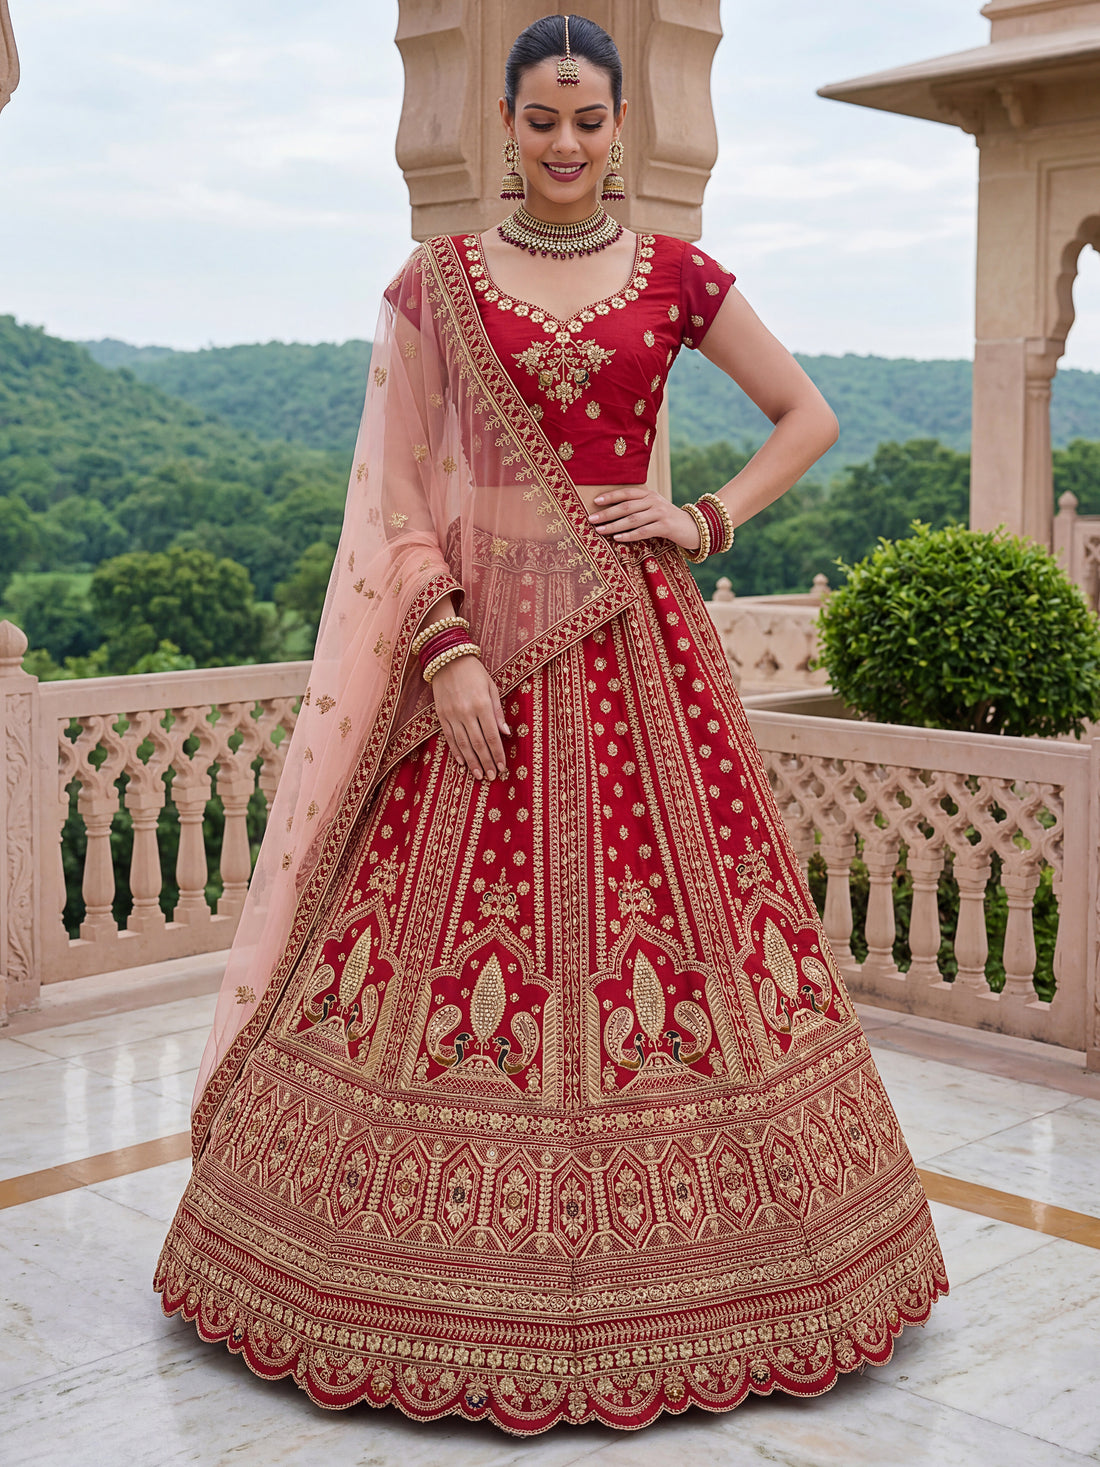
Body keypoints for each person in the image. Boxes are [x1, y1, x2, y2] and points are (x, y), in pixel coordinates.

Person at [155, 13, 947, 1435]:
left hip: (642, 643)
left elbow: (806, 414)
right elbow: (398, 495)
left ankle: (735, 1275)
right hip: (478, 659)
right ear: (503, 129)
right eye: (542, 120)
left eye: (591, 119)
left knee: (685, 940)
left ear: (625, 126)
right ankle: (381, 1278)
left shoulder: (679, 274)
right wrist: (447, 645)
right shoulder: (436, 281)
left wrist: (706, 515)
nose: (568, 144)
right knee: (436, 959)